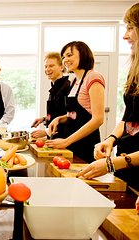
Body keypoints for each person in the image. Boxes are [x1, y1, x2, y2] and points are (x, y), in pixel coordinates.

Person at [77, 3, 139, 199]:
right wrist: (111, 139)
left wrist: (112, 164)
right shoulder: (134, 72)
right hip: (127, 167)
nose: (125, 35)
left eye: (130, 27)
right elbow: (128, 118)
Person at [46, 41, 105, 163]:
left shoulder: (93, 77)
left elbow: (98, 119)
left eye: (69, 55)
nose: (65, 60)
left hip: (86, 144)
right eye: (63, 57)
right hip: (72, 143)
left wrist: (66, 141)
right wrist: (59, 119)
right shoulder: (74, 81)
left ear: (83, 54)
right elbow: (73, 115)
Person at [31, 52, 70, 139]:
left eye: (51, 66)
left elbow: (71, 117)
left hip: (64, 139)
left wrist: (46, 132)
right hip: (54, 138)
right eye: (46, 66)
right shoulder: (54, 87)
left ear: (62, 67)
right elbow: (58, 112)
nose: (47, 69)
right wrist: (44, 119)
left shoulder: (67, 87)